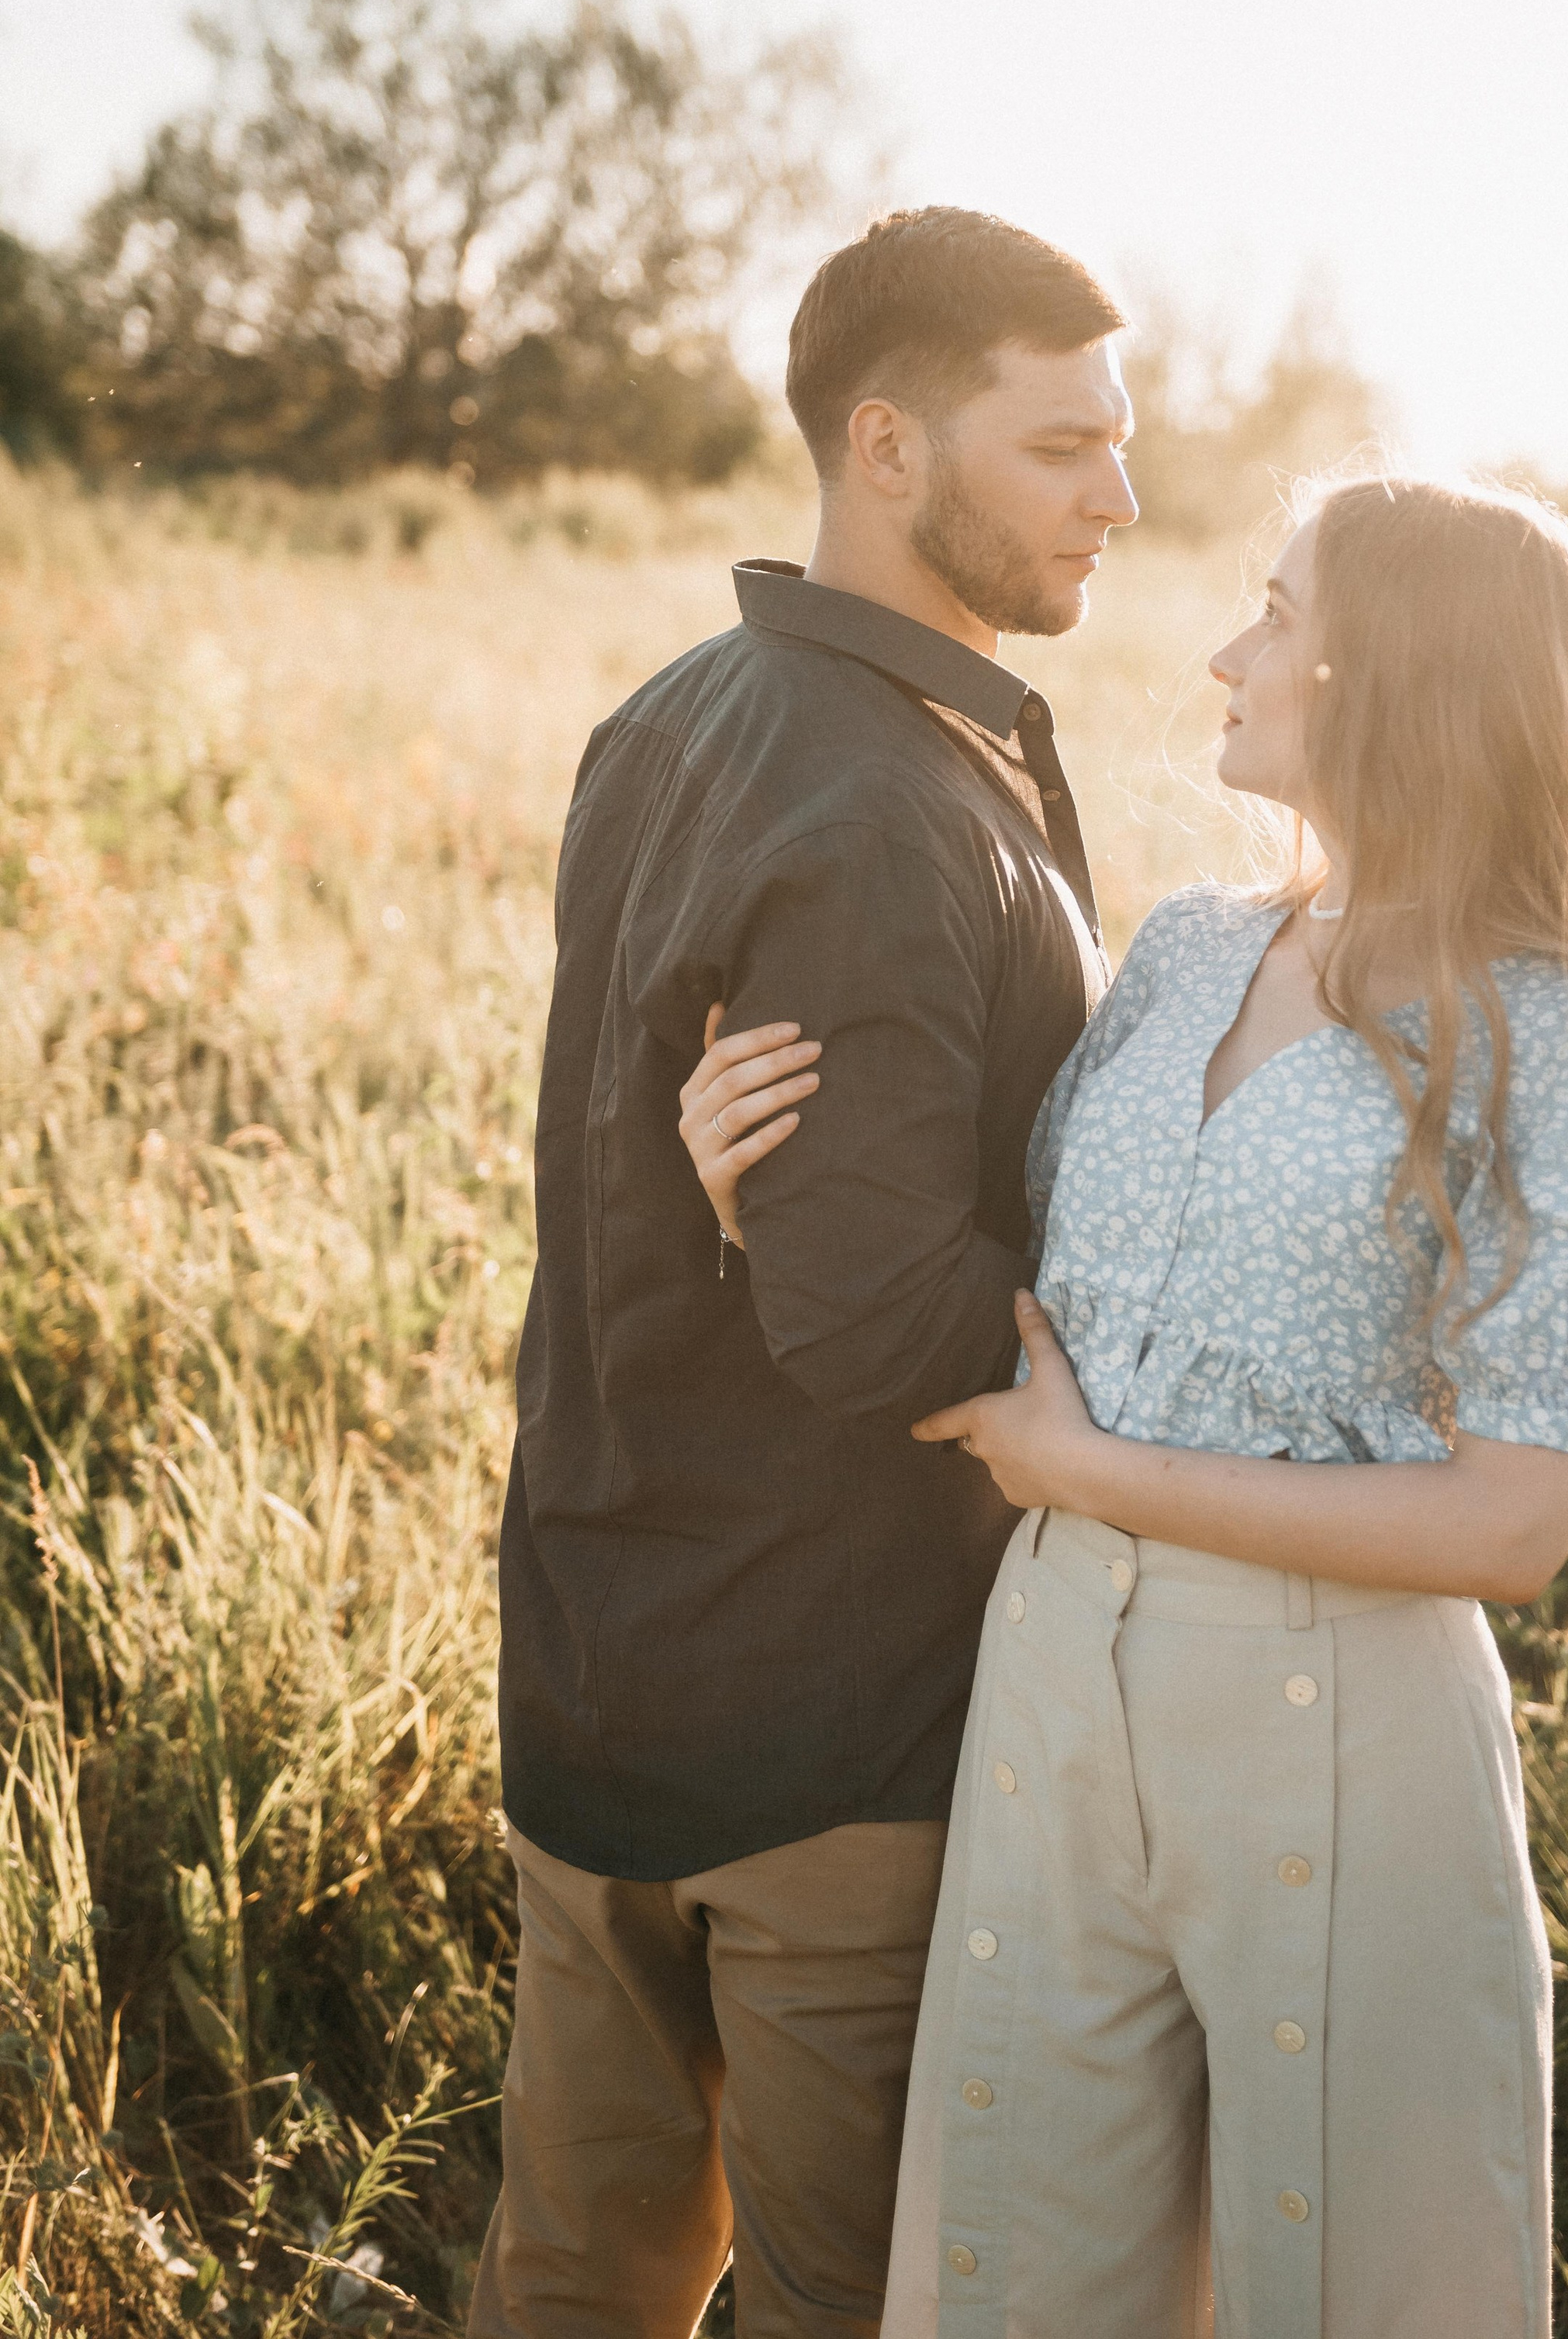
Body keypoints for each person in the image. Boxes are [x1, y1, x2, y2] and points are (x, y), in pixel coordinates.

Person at [681, 472, 1568, 2339]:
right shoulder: (1184, 949)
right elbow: (1008, 1278)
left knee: (1349, 2281)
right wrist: (745, 1188)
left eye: (1270, 611)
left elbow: (1510, 1526)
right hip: (1052, 1679)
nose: (1220, 651)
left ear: (1387, 672)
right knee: (1014, 2275)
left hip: (1339, 1709)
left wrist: (1098, 1472)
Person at [468, 207, 1138, 2339]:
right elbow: (867, 1311)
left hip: (597, 1652)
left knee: (576, 2275)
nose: (1119, 493)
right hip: (829, 1727)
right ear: (886, 445)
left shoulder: (677, 715)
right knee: (855, 2303)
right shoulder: (879, 801)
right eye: (1059, 447)